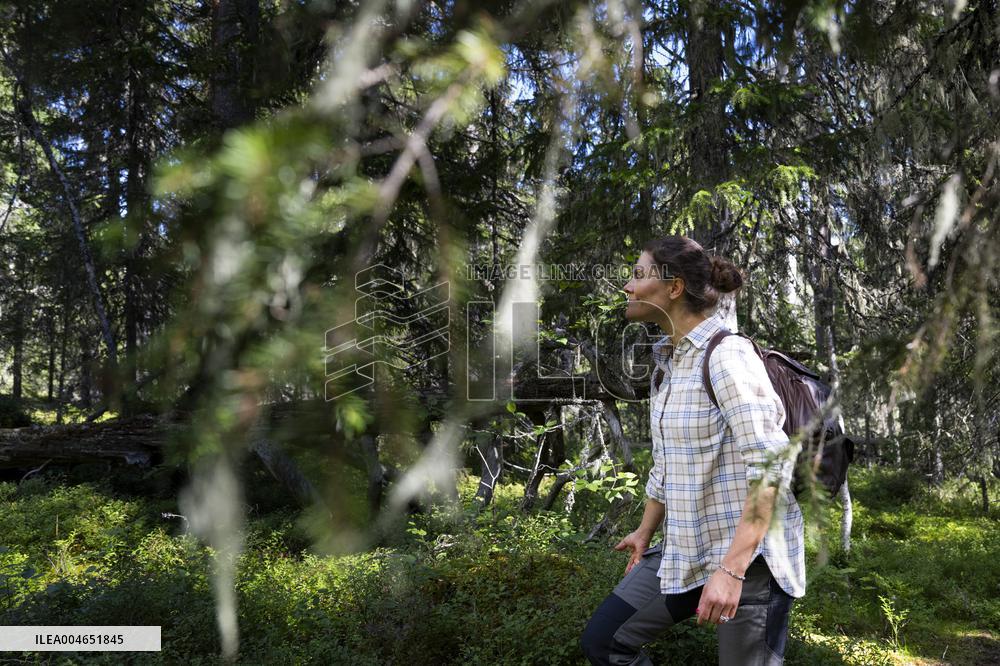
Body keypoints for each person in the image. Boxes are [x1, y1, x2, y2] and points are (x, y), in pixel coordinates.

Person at [580, 236, 805, 665]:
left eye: (639, 275)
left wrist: (732, 570)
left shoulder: (726, 356)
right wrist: (645, 530)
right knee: (604, 642)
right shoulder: (669, 361)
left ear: (675, 288)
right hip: (685, 549)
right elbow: (667, 463)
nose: (627, 286)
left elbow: (773, 468)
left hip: (750, 563)